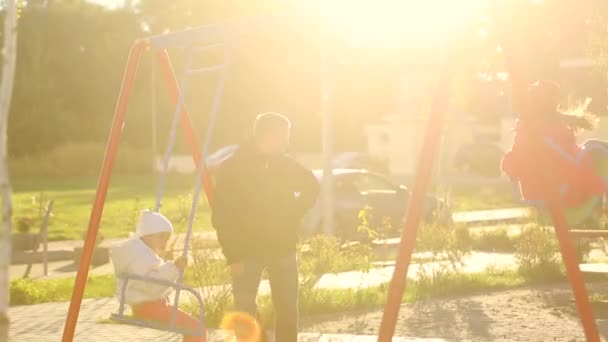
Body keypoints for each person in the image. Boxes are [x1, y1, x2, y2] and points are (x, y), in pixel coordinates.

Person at [211, 112, 320, 341]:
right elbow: (222, 215)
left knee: (288, 308)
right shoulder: (233, 167)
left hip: (283, 248)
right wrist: (232, 256)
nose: (287, 142)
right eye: (284, 137)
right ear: (269, 135)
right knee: (244, 309)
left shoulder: (286, 165)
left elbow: (312, 185)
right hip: (245, 251)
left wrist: (293, 212)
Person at [501, 80, 607, 206]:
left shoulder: (526, 127)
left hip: (535, 191)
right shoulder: (546, 129)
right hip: (561, 191)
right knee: (596, 149)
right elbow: (568, 160)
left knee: (594, 146)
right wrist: (598, 184)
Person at [110, 210, 206, 342]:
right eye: (162, 238)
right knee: (196, 327)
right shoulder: (139, 257)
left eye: (167, 239)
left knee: (195, 326)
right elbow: (152, 285)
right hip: (150, 308)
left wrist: (172, 266)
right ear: (148, 236)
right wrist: (174, 267)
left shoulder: (140, 253)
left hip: (149, 307)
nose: (165, 243)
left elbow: (153, 276)